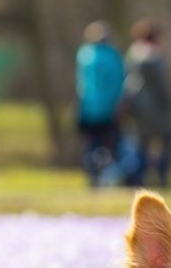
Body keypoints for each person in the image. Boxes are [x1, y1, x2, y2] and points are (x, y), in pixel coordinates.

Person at [124, 19, 171, 189]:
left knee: (142, 143)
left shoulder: (132, 54)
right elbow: (161, 86)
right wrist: (169, 103)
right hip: (156, 107)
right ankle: (162, 176)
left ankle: (139, 177)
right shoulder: (154, 56)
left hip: (138, 106)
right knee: (167, 140)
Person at [76, 21, 126, 187]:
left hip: (87, 108)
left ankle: (92, 175)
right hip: (108, 110)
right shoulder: (112, 55)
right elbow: (119, 83)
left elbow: (81, 83)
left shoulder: (84, 55)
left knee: (90, 145)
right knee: (109, 146)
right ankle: (107, 176)